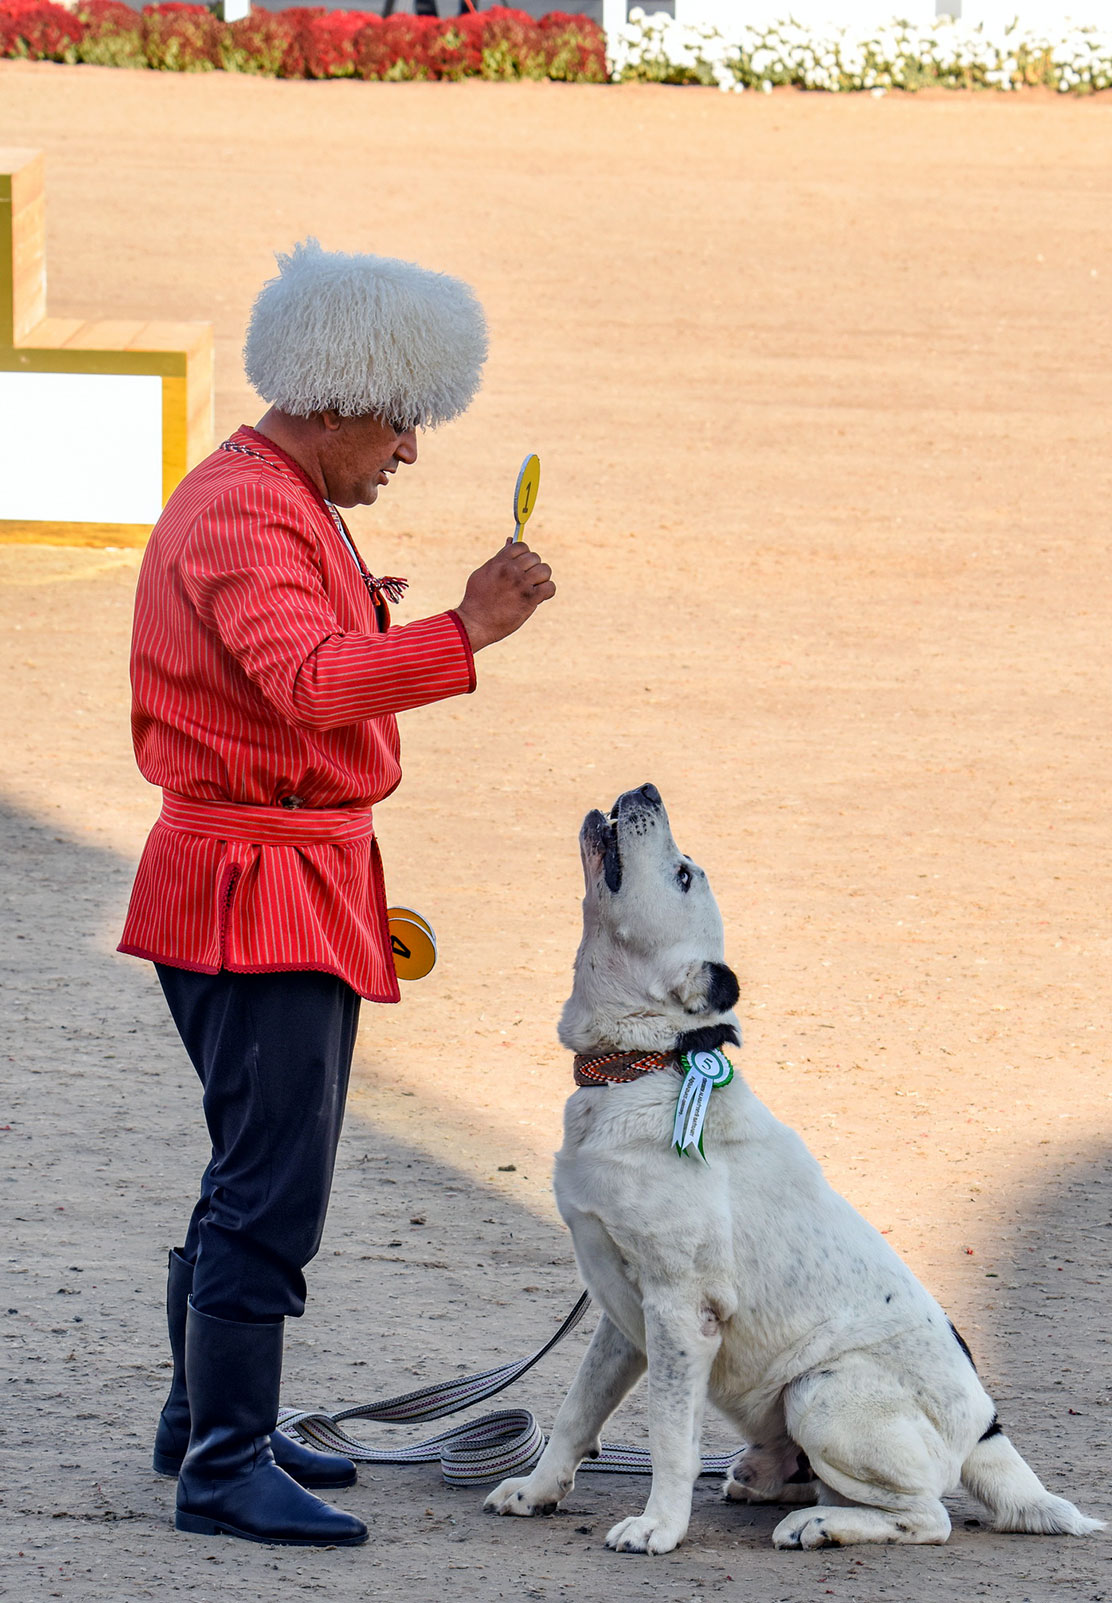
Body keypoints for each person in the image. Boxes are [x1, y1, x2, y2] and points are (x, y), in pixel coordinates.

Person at [118, 239, 554, 1548]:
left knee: (254, 1160)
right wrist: (463, 629)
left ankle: (203, 1426)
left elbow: (289, 661)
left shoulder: (264, 498)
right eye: (404, 418)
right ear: (338, 392)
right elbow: (306, 687)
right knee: (274, 1181)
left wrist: (375, 619)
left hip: (264, 873)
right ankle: (222, 1466)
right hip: (257, 883)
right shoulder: (248, 514)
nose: (411, 450)